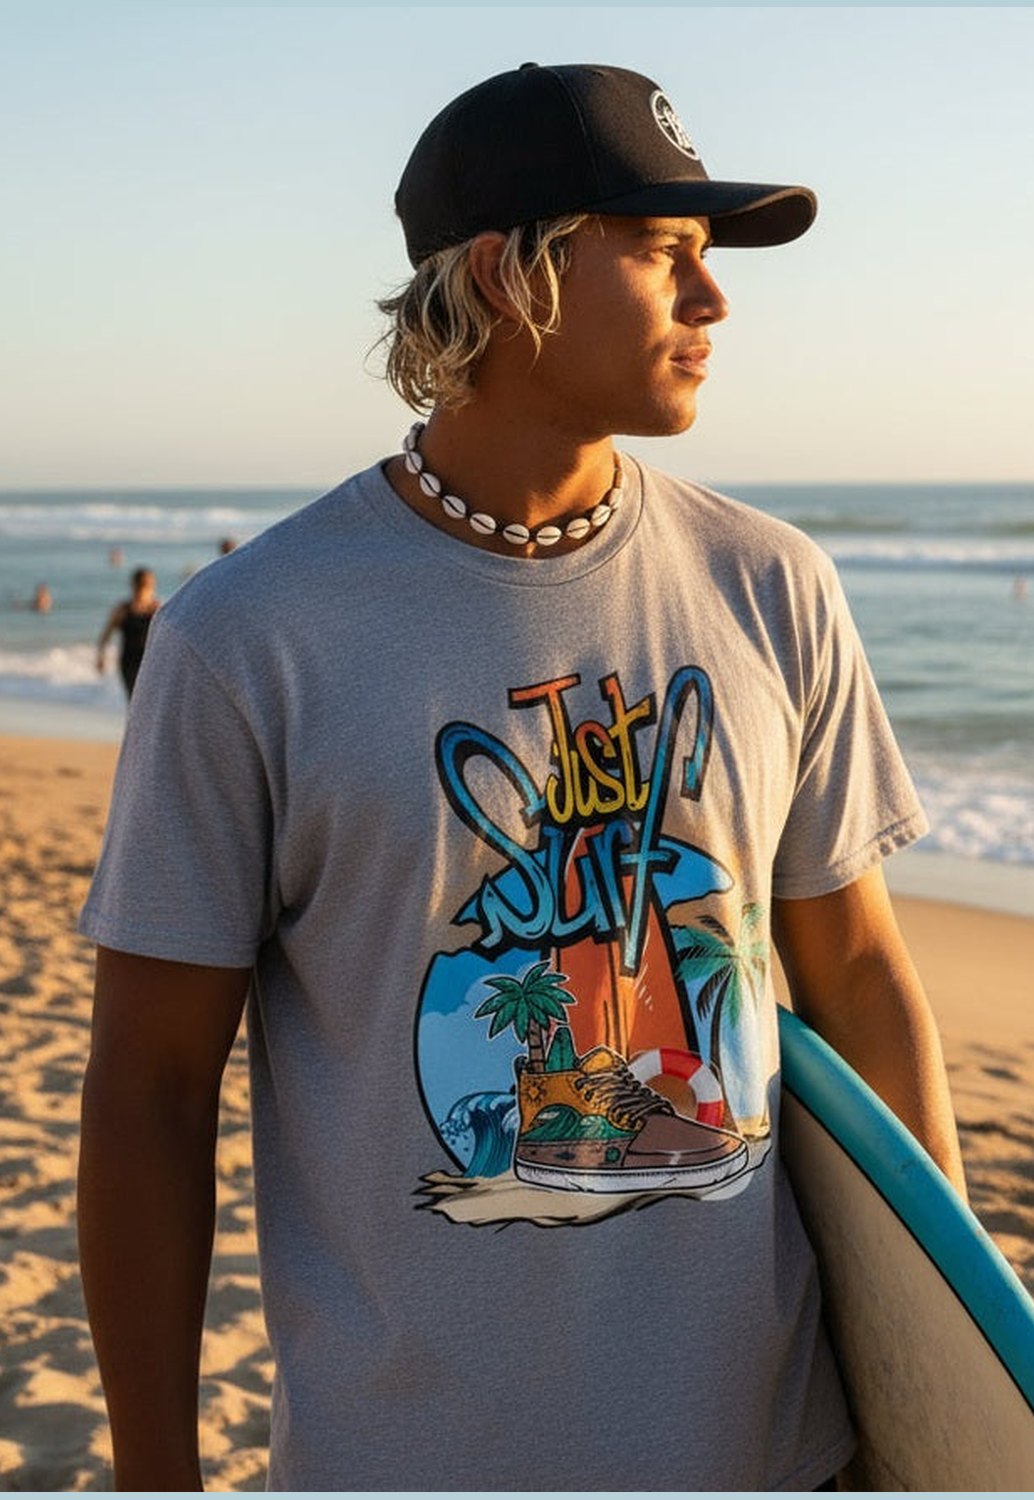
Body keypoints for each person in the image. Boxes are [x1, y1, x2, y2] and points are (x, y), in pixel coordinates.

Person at [78, 62, 965, 1491]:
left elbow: (859, 982)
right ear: (511, 276)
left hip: (779, 1455)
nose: (714, 300)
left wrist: (948, 1389)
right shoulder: (251, 640)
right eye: (667, 251)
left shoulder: (770, 585)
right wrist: (153, 1474)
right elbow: (150, 1091)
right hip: (411, 1459)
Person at [95, 568, 160, 698]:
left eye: (150, 584)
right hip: (129, 663)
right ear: (135, 585)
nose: (149, 588)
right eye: (145, 584)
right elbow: (106, 635)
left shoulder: (156, 608)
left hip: (150, 663)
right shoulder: (123, 609)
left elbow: (168, 639)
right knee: (135, 702)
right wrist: (101, 657)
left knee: (150, 702)